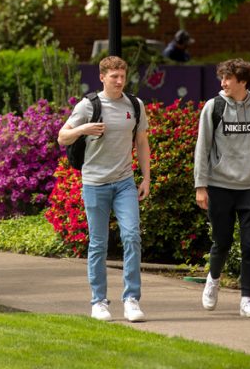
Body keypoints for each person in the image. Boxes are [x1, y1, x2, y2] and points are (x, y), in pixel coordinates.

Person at [57, 56, 151, 322]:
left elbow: (142, 142)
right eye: (114, 77)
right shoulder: (89, 105)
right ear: (102, 77)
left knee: (132, 236)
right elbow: (62, 136)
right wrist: (83, 128)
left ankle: (131, 299)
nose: (120, 81)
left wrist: (146, 178)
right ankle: (99, 301)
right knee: (98, 244)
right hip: (95, 183)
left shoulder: (135, 104)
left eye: (123, 76)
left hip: (125, 183)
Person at [193, 58, 250, 318]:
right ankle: (213, 280)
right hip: (220, 187)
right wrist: (201, 185)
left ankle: (247, 299)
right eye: (222, 77)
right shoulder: (214, 107)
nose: (223, 82)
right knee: (222, 242)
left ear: (243, 81)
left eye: (228, 78)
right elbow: (202, 148)